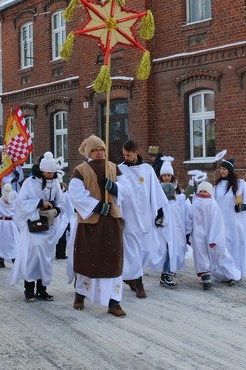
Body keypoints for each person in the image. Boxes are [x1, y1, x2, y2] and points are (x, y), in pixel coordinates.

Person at [67, 135, 126, 317]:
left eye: (101, 149)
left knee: (113, 259)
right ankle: (80, 294)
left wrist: (115, 188)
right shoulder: (80, 170)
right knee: (88, 257)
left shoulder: (113, 168)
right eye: (95, 150)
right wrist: (98, 206)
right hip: (91, 221)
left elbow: (127, 188)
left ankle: (114, 301)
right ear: (88, 152)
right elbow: (76, 194)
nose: (99, 153)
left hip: (111, 220)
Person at [10, 152, 66, 302]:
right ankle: (29, 289)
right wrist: (39, 203)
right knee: (32, 258)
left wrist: (56, 209)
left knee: (46, 259)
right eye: (48, 172)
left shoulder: (54, 184)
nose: (51, 175)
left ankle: (42, 289)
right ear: (42, 170)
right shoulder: (29, 183)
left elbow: (61, 201)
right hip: (33, 227)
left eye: (53, 172)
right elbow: (21, 203)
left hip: (48, 227)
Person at [118, 140, 169, 299]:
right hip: (129, 216)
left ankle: (130, 276)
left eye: (129, 154)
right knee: (132, 251)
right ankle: (139, 283)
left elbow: (156, 191)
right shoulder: (119, 170)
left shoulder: (147, 170)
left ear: (136, 152)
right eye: (124, 154)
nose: (126, 157)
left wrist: (159, 211)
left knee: (146, 250)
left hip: (145, 215)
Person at [212, 156, 246, 284]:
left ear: (230, 170)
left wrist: (245, 206)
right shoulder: (216, 187)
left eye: (224, 169)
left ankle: (236, 272)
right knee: (224, 246)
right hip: (222, 222)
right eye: (220, 169)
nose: (221, 171)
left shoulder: (240, 184)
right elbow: (212, 202)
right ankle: (224, 273)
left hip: (236, 222)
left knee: (236, 246)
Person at [186, 180, 233, 290]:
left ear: (210, 192)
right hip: (198, 235)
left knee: (214, 255)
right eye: (200, 191)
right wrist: (187, 232)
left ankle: (228, 274)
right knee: (201, 255)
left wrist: (215, 237)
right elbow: (189, 218)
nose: (202, 193)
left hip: (210, 235)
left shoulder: (213, 204)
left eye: (205, 191)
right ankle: (205, 278)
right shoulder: (196, 203)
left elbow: (217, 221)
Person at [158, 156, 190, 288]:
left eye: (168, 175)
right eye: (164, 175)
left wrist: (193, 186)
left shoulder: (177, 193)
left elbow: (184, 199)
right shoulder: (158, 191)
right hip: (165, 227)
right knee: (169, 250)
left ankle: (166, 274)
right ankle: (168, 274)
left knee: (174, 250)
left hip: (176, 227)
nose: (166, 177)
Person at [0, 183, 18, 268]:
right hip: (2, 224)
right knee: (1, 242)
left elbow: (17, 214)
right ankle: (1, 260)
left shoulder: (14, 202)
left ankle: (14, 258)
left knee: (13, 242)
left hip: (11, 224)